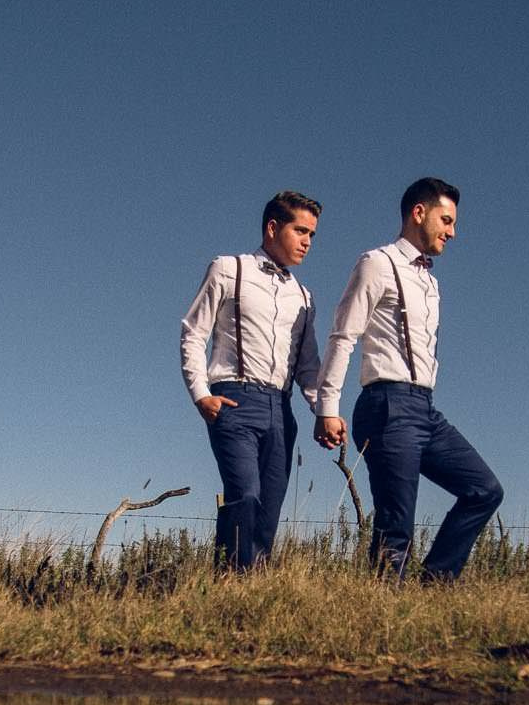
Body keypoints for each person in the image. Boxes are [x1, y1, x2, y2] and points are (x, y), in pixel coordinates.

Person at [312, 177, 502, 581]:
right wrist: (327, 407)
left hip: (425, 409)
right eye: (446, 221)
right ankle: (383, 607)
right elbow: (344, 336)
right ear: (419, 213)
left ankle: (434, 585)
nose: (452, 232)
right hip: (387, 404)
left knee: (485, 490)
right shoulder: (377, 263)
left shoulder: (430, 282)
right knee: (396, 526)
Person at [179, 191, 323, 570]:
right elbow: (194, 332)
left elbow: (308, 366)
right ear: (273, 227)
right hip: (234, 398)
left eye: (312, 234)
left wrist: (325, 411)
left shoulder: (304, 297)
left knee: (269, 510)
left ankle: (250, 589)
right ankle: (230, 580)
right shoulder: (229, 269)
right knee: (245, 494)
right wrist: (200, 394)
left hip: (282, 409)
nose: (308, 241)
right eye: (300, 231)